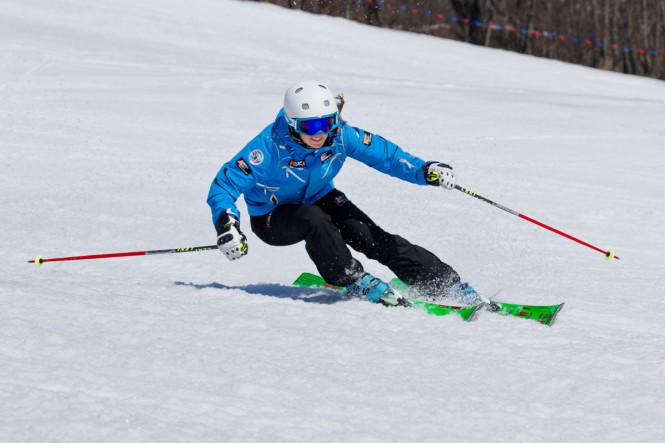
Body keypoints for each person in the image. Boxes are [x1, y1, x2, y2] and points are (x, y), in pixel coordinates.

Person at [207, 80, 480, 306]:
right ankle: (350, 277)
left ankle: (441, 281)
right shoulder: (267, 147)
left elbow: (386, 157)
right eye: (309, 127)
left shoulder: (340, 135)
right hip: (272, 217)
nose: (319, 134)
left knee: (369, 235)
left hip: (319, 196)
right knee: (313, 219)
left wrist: (424, 171)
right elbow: (224, 185)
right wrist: (227, 226)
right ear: (292, 124)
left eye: (326, 123)